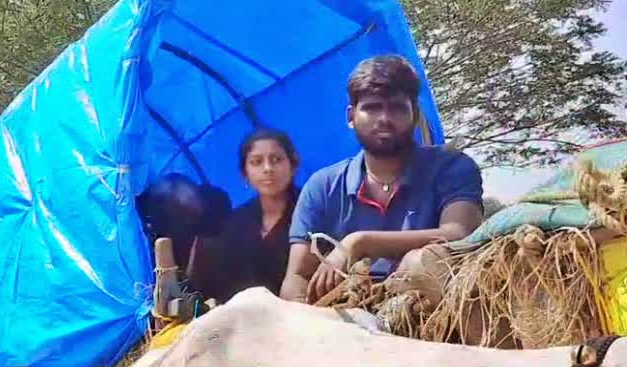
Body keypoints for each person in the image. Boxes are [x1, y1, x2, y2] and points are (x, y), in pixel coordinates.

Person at [280, 55, 485, 304]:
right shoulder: (322, 185)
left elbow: (459, 233)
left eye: (397, 108)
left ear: (415, 114)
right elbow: (298, 276)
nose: (384, 119)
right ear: (350, 116)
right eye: (372, 107)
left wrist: (359, 242)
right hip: (345, 326)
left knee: (420, 262)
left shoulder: (452, 166)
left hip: (436, 320)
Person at [190, 129, 300, 302]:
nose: (268, 169)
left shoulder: (311, 211)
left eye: (276, 160)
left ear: (293, 165)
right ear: (245, 174)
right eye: (256, 162)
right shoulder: (236, 222)